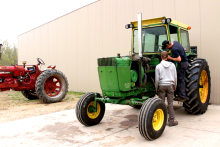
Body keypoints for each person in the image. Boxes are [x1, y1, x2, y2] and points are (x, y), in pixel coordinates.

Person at [155, 51, 178, 126]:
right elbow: (175, 77)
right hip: (170, 85)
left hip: (161, 86)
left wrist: (156, 88)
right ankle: (171, 121)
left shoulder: (158, 66)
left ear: (161, 57)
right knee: (170, 103)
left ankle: (162, 121)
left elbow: (157, 79)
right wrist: (175, 85)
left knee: (161, 103)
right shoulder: (173, 65)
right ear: (168, 56)